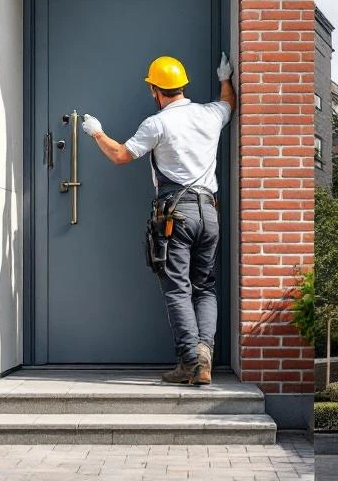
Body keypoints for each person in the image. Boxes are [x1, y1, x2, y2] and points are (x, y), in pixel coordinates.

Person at [81, 53, 236, 386]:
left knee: (178, 289)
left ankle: (190, 362)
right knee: (205, 286)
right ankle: (204, 353)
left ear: (155, 90)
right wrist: (225, 78)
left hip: (175, 214)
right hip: (209, 212)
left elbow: (120, 155)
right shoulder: (211, 114)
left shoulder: (158, 123)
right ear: (182, 86)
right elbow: (228, 103)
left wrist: (96, 132)